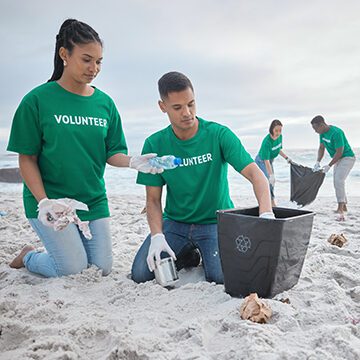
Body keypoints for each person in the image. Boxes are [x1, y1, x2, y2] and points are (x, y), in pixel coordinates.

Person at [7, 19, 161, 277]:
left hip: (92, 199)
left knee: (101, 268)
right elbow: (27, 159)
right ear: (64, 54)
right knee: (70, 269)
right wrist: (43, 201)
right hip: (50, 199)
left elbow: (112, 153)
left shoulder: (105, 103)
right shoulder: (36, 100)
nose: (94, 68)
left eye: (99, 62)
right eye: (87, 59)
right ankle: (29, 256)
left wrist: (134, 161)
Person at [131, 71, 274, 284]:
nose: (187, 113)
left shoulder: (218, 134)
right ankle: (189, 254)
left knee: (219, 276)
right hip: (176, 223)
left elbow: (256, 174)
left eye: (191, 104)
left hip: (215, 222)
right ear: (163, 107)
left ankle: (204, 254)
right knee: (141, 273)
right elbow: (152, 200)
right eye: (177, 107)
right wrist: (157, 236)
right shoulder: (154, 144)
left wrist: (266, 214)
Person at [311, 115, 356, 221]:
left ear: (322, 125)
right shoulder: (321, 134)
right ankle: (343, 205)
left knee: (338, 180)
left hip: (347, 157)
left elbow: (340, 152)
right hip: (338, 159)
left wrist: (329, 165)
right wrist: (318, 161)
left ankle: (340, 207)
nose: (315, 131)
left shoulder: (337, 132)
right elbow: (321, 148)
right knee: (336, 182)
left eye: (315, 128)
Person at [255, 120, 292, 207]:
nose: (278, 133)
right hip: (261, 161)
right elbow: (266, 161)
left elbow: (278, 149)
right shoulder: (267, 142)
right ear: (271, 129)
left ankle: (270, 201)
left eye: (280, 130)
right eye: (276, 131)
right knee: (267, 181)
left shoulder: (280, 137)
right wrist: (271, 175)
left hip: (270, 160)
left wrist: (286, 158)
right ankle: (270, 203)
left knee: (272, 183)